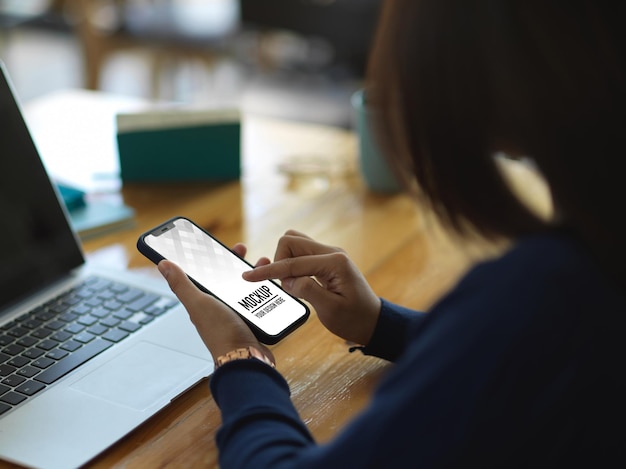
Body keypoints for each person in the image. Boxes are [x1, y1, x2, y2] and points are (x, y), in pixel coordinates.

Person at [157, 1, 626, 467]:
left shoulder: (547, 290)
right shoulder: (588, 260)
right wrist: (380, 324)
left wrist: (241, 359)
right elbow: (524, 357)